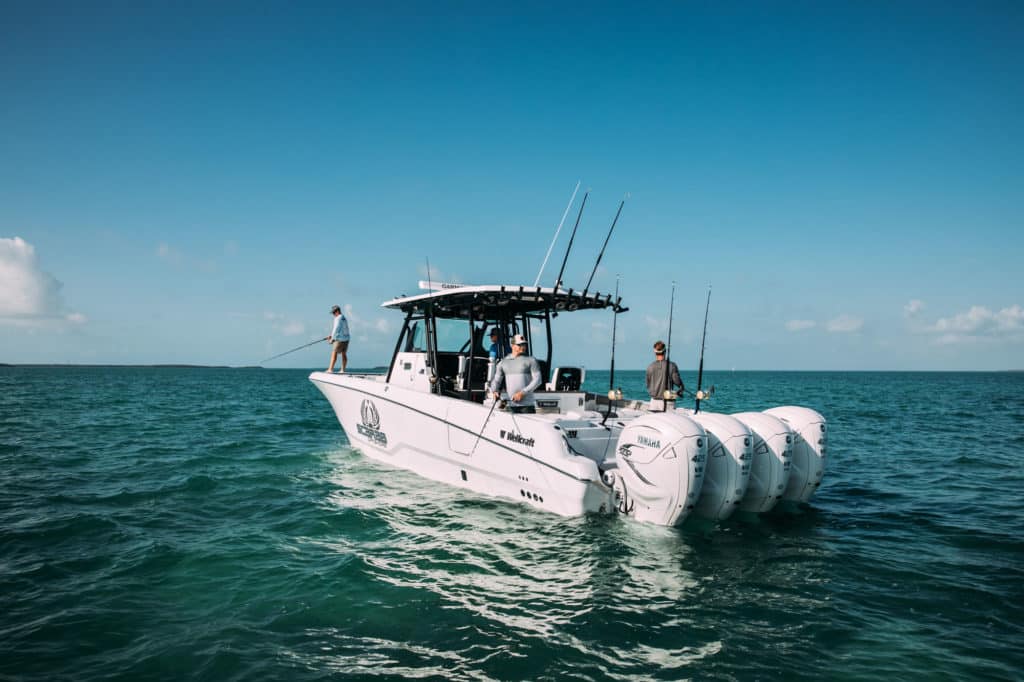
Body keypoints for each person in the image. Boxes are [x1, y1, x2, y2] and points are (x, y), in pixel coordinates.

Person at [490, 333, 542, 413]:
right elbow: (496, 380)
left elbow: (538, 380)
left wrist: (522, 393)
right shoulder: (503, 362)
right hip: (510, 406)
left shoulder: (531, 360)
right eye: (520, 345)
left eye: (524, 344)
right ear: (512, 345)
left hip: (527, 406)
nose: (523, 347)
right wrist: (494, 391)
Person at [646, 340, 683, 408]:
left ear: (655, 352)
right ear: (665, 351)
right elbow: (677, 382)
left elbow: (648, 385)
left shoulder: (650, 367)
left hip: (653, 402)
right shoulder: (672, 366)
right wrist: (681, 387)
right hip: (668, 402)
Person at [325, 305, 350, 373]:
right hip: (346, 339)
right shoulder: (343, 317)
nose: (333, 314)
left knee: (334, 353)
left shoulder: (337, 318)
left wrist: (331, 339)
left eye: (334, 312)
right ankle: (343, 370)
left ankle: (330, 369)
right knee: (344, 354)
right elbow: (341, 329)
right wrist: (331, 335)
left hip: (339, 339)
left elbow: (336, 328)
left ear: (337, 311)